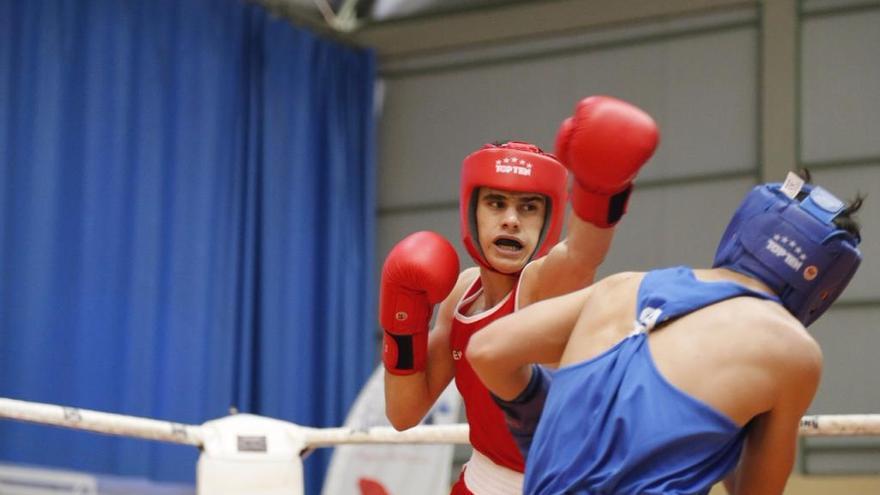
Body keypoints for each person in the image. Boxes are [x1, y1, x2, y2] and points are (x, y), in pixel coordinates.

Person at [467, 172, 863, 494]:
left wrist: (539, 422)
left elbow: (487, 349)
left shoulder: (623, 286)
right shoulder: (794, 350)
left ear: (745, 225)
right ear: (825, 284)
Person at [378, 95, 659, 494]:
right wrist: (402, 322)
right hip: (476, 481)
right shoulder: (461, 291)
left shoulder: (543, 287)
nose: (511, 220)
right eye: (496, 203)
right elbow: (404, 414)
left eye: (529, 208)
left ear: (549, 220)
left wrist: (603, 189)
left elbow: (582, 252)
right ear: (472, 210)